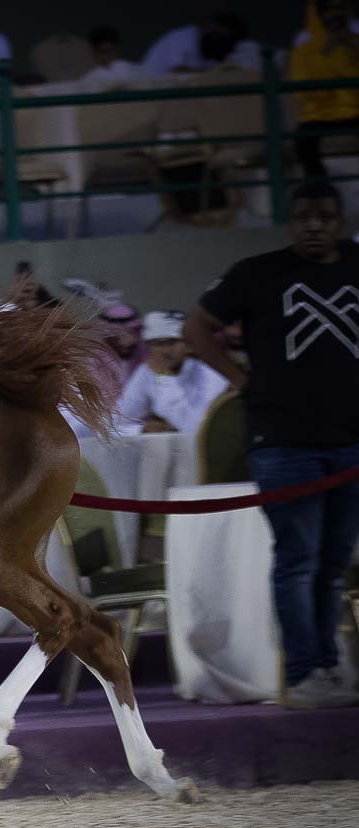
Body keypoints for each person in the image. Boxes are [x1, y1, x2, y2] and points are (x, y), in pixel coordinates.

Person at [182, 179, 359, 709]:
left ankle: (330, 665)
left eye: (325, 216)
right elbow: (196, 327)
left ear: (341, 220)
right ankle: (305, 674)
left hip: (352, 442)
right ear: (290, 222)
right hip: (283, 441)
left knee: (334, 562)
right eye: (304, 216)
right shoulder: (257, 273)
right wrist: (240, 380)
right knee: (299, 560)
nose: (314, 225)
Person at [113, 311, 229, 435]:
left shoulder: (212, 373)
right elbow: (112, 424)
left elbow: (193, 428)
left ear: (188, 345)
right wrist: (141, 429)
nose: (164, 351)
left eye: (171, 342)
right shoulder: (147, 372)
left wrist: (165, 378)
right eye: (157, 343)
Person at [290, 0, 359, 178]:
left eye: (341, 8)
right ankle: (320, 188)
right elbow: (306, 93)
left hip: (354, 112)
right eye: (330, 10)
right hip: (318, 116)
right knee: (304, 142)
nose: (336, 15)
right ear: (320, 14)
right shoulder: (303, 52)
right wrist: (326, 53)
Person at [141, 14, 259, 76]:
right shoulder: (183, 37)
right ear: (211, 28)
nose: (222, 42)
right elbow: (178, 72)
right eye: (221, 36)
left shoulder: (217, 53)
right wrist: (211, 74)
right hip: (151, 94)